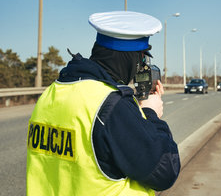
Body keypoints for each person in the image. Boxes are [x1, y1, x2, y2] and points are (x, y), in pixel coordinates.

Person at [26, 11, 180, 196]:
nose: (142, 64)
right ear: (131, 57)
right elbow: (165, 171)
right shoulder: (111, 104)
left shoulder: (52, 92)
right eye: (142, 57)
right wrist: (150, 114)